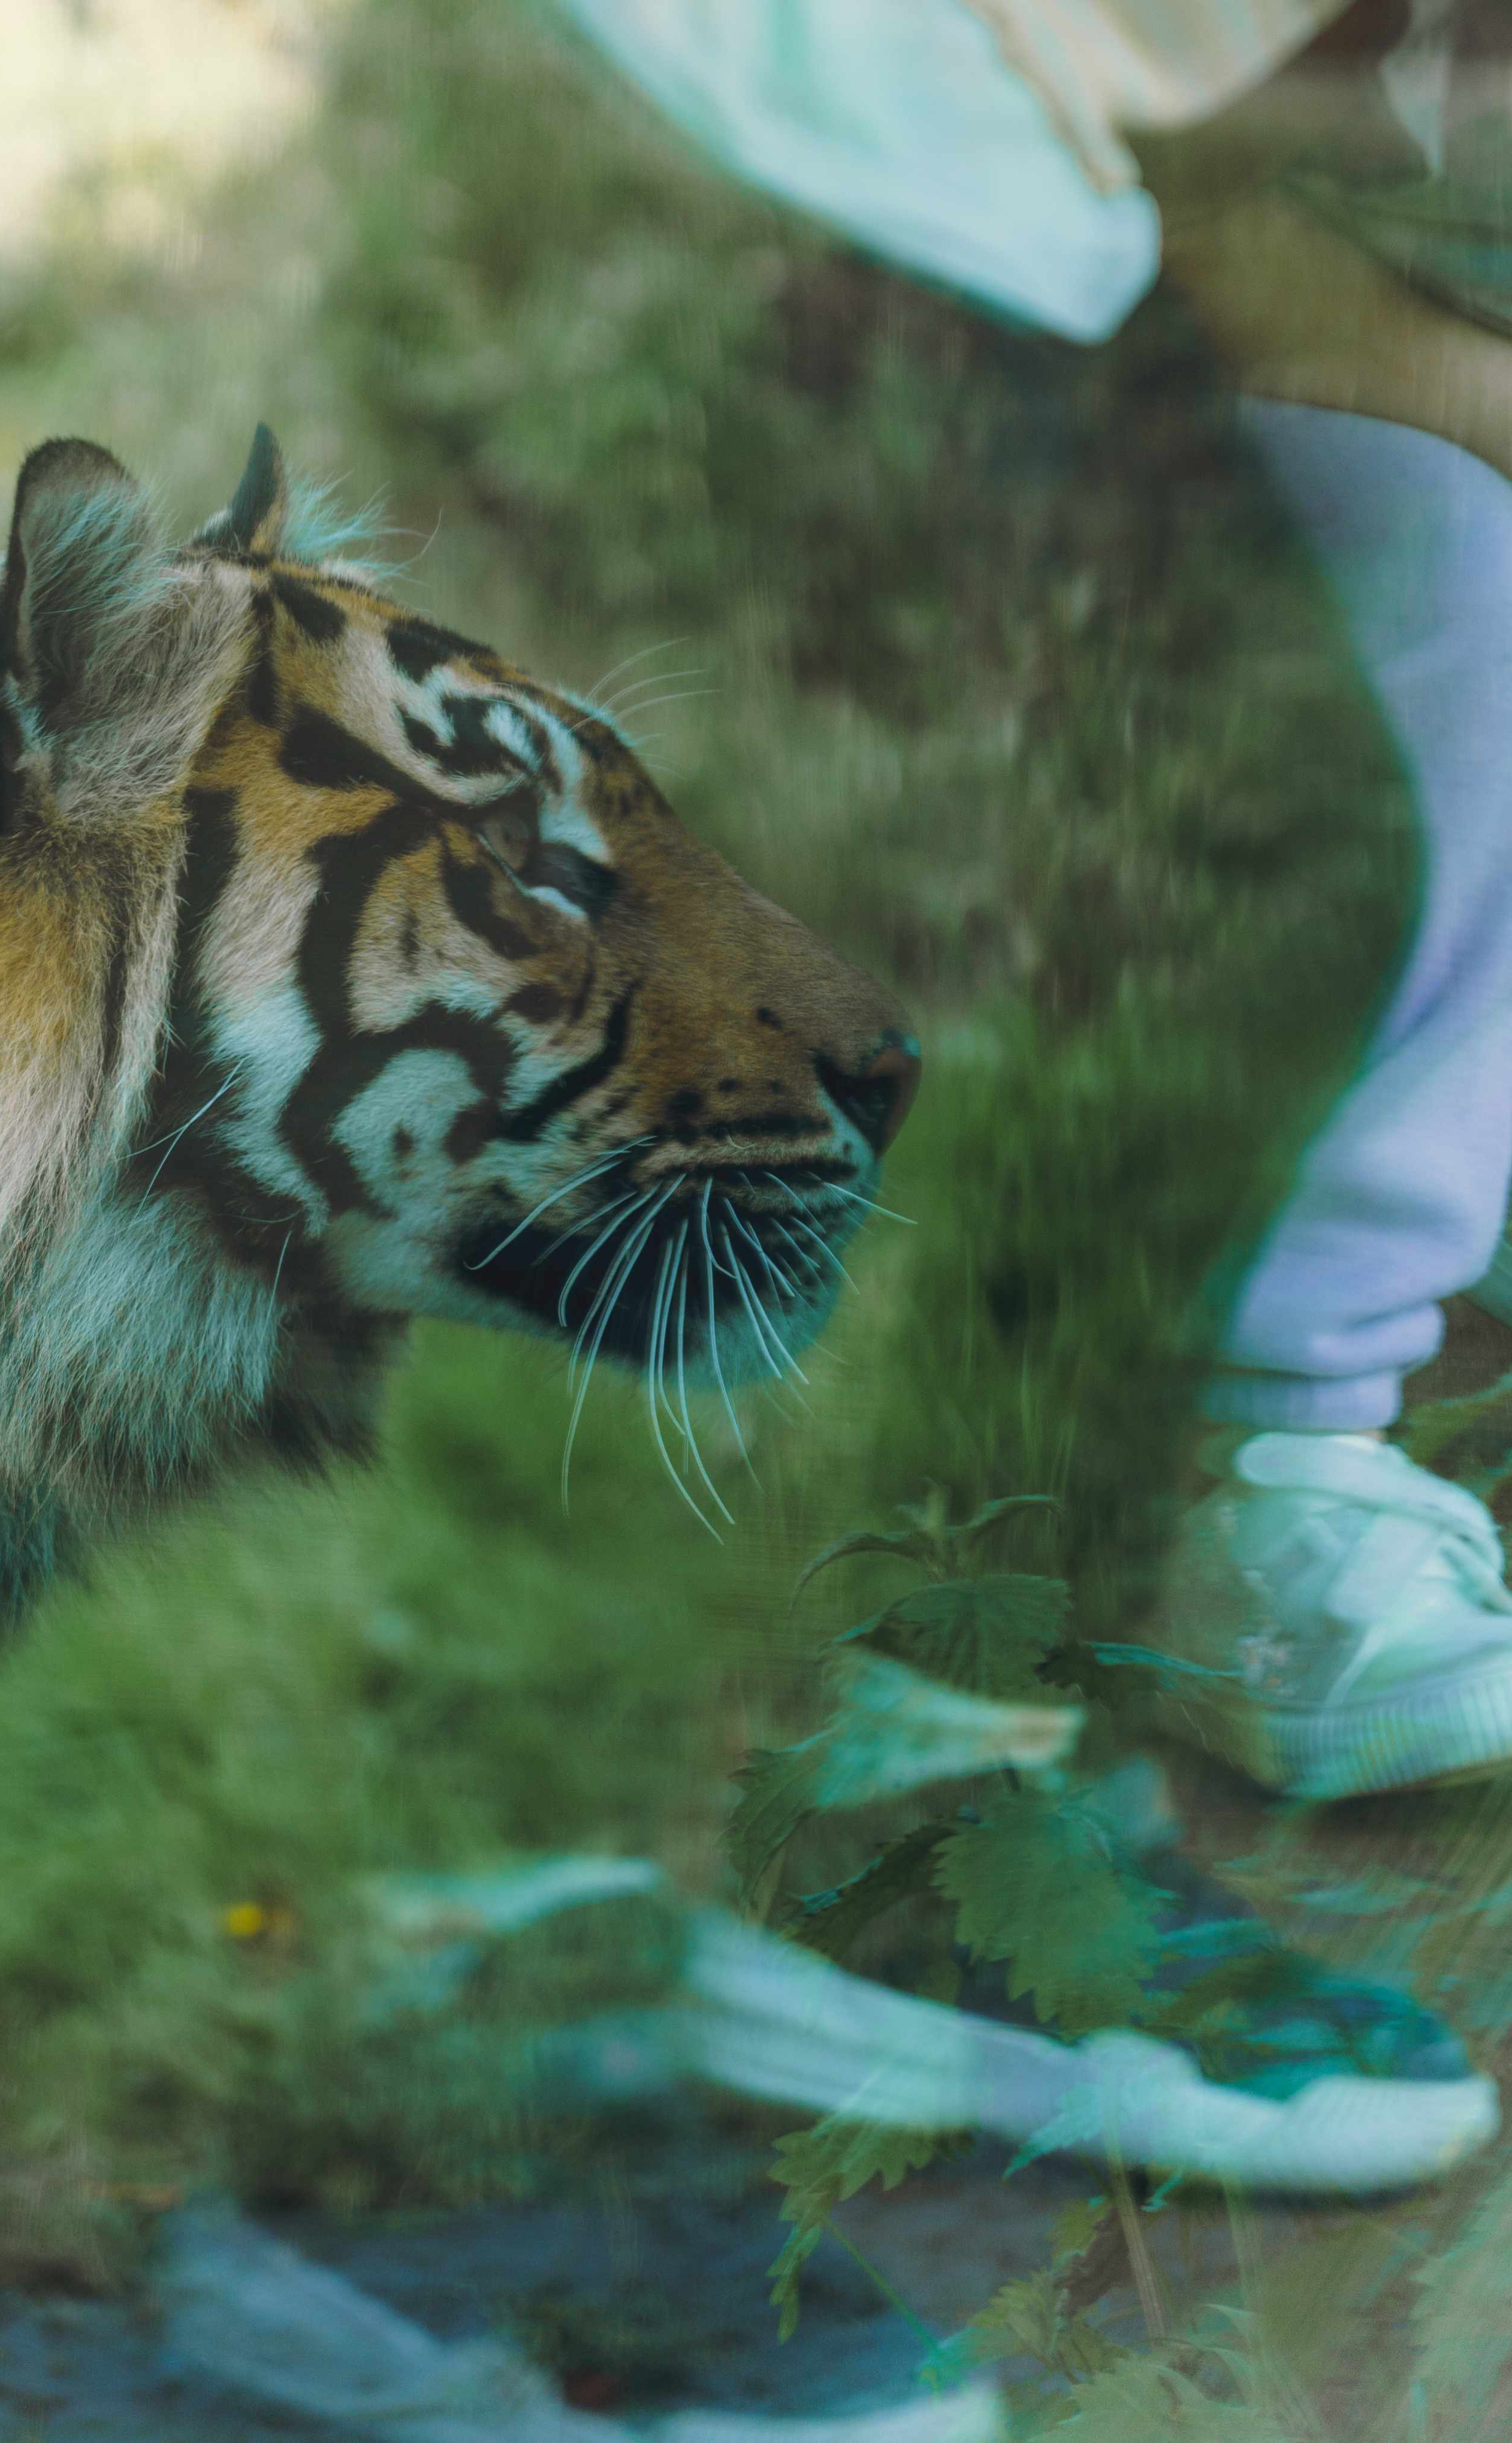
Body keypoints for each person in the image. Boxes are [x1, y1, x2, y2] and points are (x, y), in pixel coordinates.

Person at [543, 0, 1512, 2183]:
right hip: (763, 215)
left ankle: (1216, 1493)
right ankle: (886, 1792)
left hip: (963, 209)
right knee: (1329, 605)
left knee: (1408, 571)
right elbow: (1212, 206)